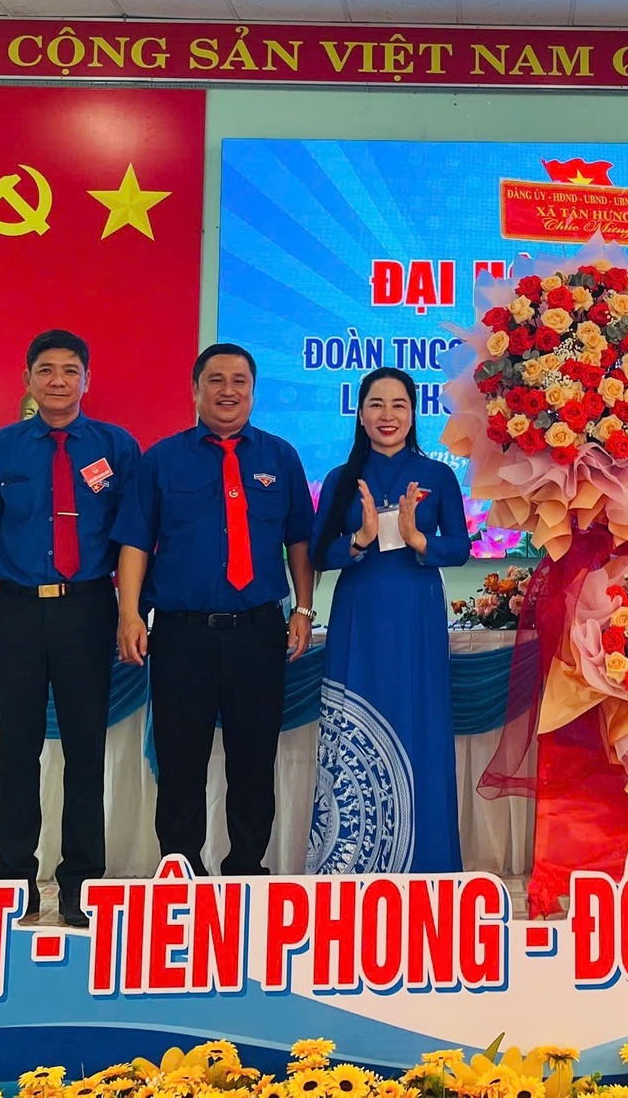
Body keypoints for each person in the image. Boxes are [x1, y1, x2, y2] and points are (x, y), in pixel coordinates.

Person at [0, 329, 139, 926]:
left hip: (89, 609)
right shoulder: (2, 449)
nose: (58, 381)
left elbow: (137, 539)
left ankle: (82, 882)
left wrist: (135, 613)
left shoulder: (116, 446)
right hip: (17, 611)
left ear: (86, 379)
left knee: (86, 749)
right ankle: (14, 880)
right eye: (46, 370)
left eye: (69, 370)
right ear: (28, 379)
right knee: (17, 748)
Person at [114, 344, 315, 874]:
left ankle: (246, 868)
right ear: (195, 389)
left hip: (258, 631)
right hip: (182, 634)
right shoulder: (162, 459)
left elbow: (299, 540)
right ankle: (181, 869)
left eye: (239, 381)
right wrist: (129, 614)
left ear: (253, 390)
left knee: (254, 759)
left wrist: (303, 608)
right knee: (180, 760)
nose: (228, 390)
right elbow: (135, 541)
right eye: (216, 380)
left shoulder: (280, 457)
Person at [306, 367, 468, 873]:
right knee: (354, 726)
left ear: (413, 414)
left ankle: (428, 865)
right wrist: (359, 539)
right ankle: (352, 864)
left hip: (417, 615)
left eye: (399, 404)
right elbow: (317, 554)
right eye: (376, 404)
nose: (387, 415)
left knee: (421, 724)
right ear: (360, 414)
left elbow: (460, 548)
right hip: (360, 616)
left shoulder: (437, 476)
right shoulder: (341, 479)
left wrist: (420, 542)